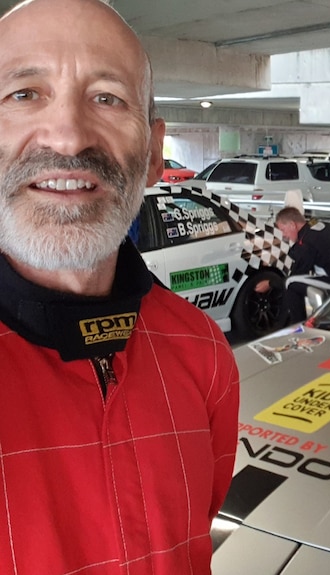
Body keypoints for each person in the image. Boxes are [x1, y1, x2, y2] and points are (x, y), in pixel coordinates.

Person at [0, 0, 240, 573]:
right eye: (24, 93)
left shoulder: (203, 352)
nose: (66, 137)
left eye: (107, 98)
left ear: (154, 152)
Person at [256, 207, 330, 323]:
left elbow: (297, 273)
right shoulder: (319, 226)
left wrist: (270, 283)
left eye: (283, 230)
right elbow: (299, 252)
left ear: (292, 225)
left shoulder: (306, 243)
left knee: (290, 282)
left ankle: (297, 327)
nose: (284, 235)